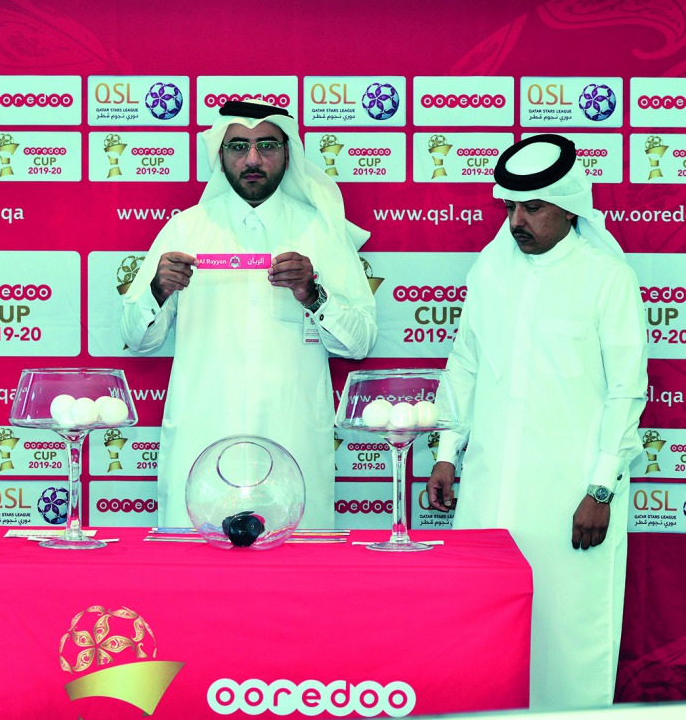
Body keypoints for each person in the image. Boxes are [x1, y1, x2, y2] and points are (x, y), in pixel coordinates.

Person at [425, 134, 647, 710]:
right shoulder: (490, 272)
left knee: (567, 634)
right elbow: (466, 364)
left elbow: (626, 392)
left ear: (569, 206)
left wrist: (600, 488)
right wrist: (448, 452)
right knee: (482, 634)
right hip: (489, 492)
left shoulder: (606, 278)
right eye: (509, 207)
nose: (517, 221)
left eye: (532, 207)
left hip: (570, 498)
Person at [120, 100, 376, 528]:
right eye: (238, 146)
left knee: (294, 585)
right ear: (220, 155)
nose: (253, 158)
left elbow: (362, 342)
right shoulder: (186, 228)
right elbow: (136, 338)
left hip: (291, 439)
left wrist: (313, 295)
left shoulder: (320, 230)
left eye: (267, 146)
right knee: (195, 585)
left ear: (287, 153)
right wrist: (157, 289)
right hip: (203, 436)